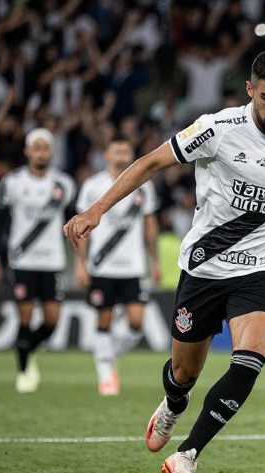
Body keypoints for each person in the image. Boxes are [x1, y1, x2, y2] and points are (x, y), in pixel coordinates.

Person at [63, 50, 265, 473]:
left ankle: (188, 453)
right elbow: (151, 162)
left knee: (251, 358)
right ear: (250, 90)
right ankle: (174, 404)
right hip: (205, 266)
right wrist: (96, 210)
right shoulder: (216, 128)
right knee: (184, 373)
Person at [0, 128, 76, 393]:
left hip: (53, 261)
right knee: (25, 316)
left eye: (45, 148)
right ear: (27, 151)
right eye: (36, 148)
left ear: (51, 152)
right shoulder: (12, 182)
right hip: (22, 260)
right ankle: (24, 370)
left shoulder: (64, 184)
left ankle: (28, 349)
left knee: (52, 319)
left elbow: (72, 219)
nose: (40, 153)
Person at [74, 135, 161, 396]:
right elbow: (81, 229)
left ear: (131, 154)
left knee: (136, 322)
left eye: (126, 151)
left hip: (134, 267)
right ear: (107, 155)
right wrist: (80, 263)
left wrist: (155, 261)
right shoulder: (92, 186)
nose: (122, 155)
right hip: (102, 266)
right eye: (117, 151)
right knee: (104, 319)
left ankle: (107, 356)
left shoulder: (144, 186)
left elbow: (150, 226)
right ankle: (105, 376)